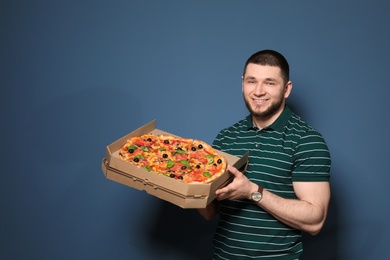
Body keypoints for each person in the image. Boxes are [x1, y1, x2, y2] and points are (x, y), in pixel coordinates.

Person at [198, 49, 331, 259]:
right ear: (242, 82)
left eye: (269, 83)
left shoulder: (307, 140)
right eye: (252, 81)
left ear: (286, 89)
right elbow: (209, 212)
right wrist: (175, 186)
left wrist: (252, 191)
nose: (258, 91)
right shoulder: (226, 137)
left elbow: (315, 221)